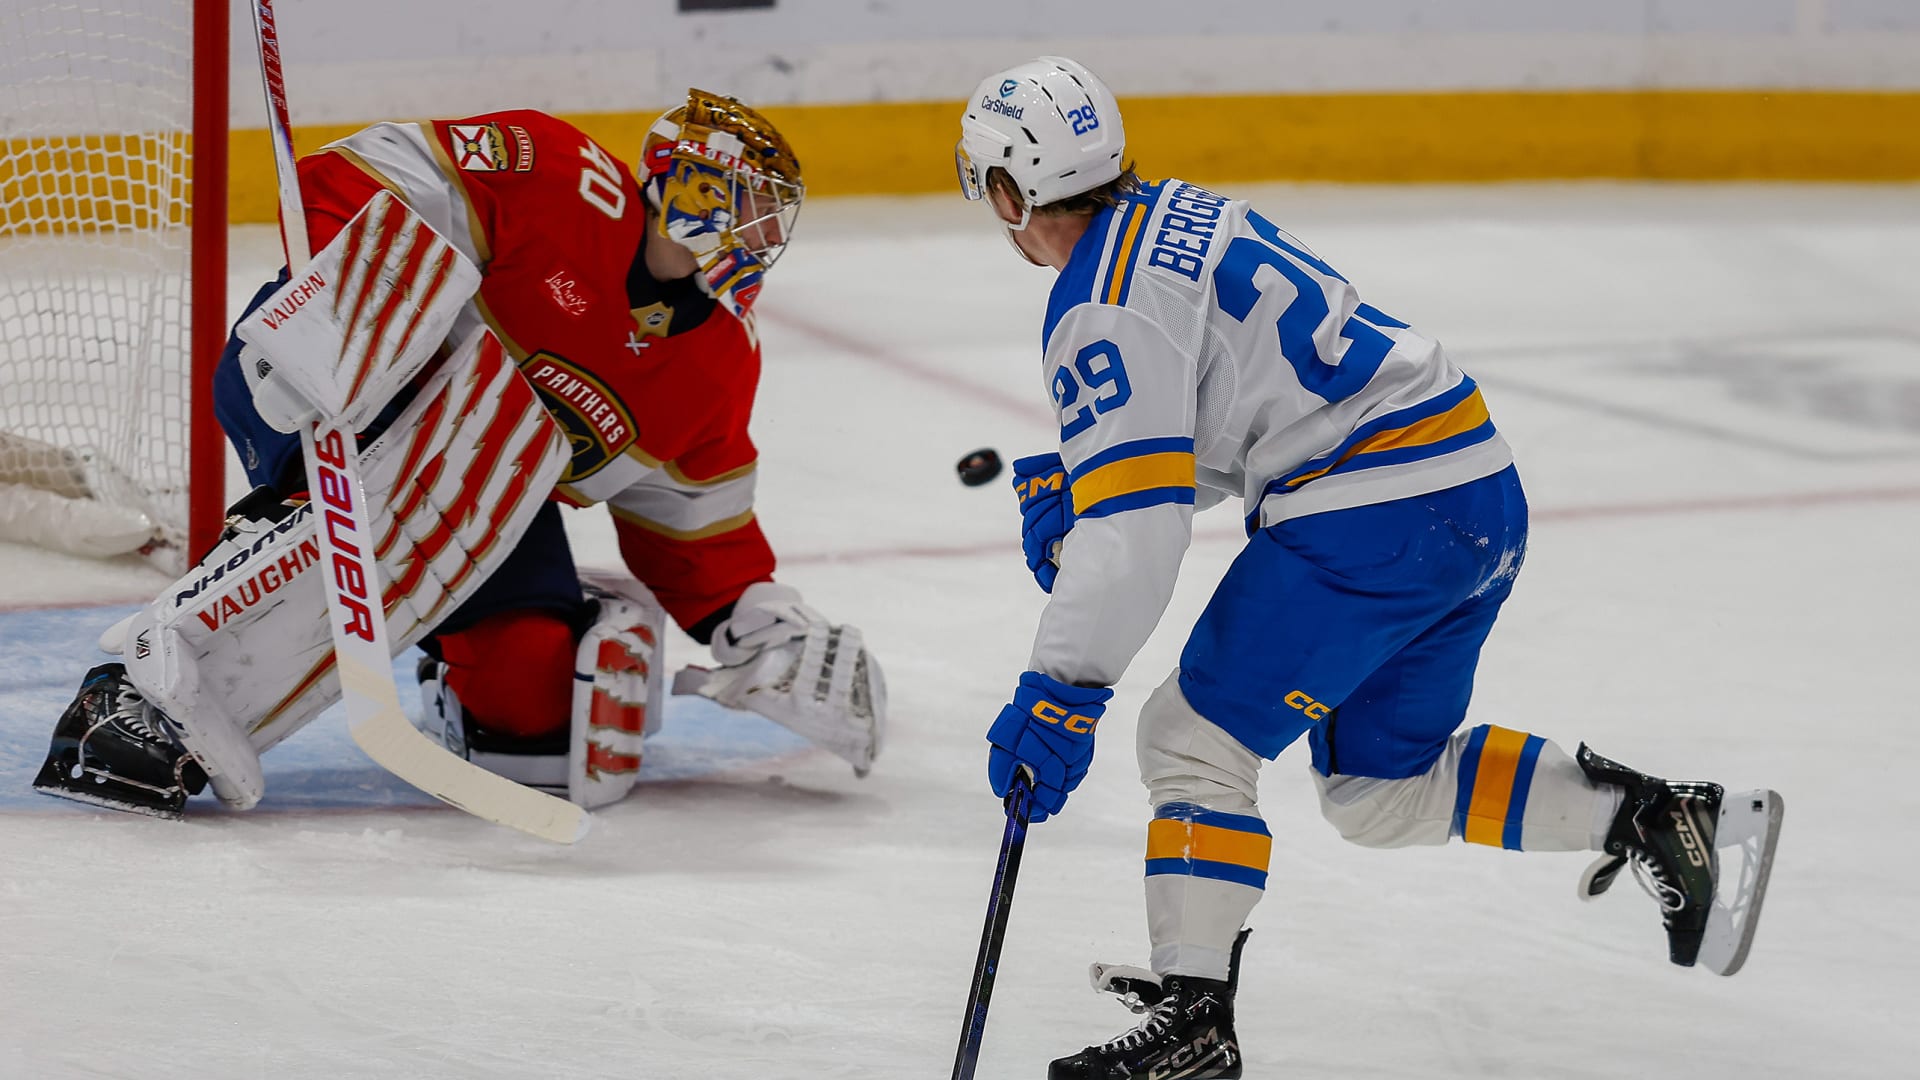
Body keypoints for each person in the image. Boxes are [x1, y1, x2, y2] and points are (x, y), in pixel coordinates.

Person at [956, 57, 1783, 1079]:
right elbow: (1226, 422)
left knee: (1191, 738)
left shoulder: (1100, 300)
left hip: (1372, 515)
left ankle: (1196, 1021)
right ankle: (1656, 818)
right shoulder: (1181, 212)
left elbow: (1138, 532)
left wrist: (1061, 688)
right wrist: (1097, 495)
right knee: (1380, 790)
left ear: (1010, 191)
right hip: (1475, 489)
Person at [34, 91, 885, 820]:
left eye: (772, 214)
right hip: (323, 383)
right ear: (688, 185)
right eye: (749, 202)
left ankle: (443, 635)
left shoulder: (715, 363)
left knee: (536, 714)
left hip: (482, 493)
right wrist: (325, 298)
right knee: (418, 488)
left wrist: (762, 625)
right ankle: (134, 697)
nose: (763, 231)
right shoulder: (559, 173)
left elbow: (693, 523)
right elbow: (365, 173)